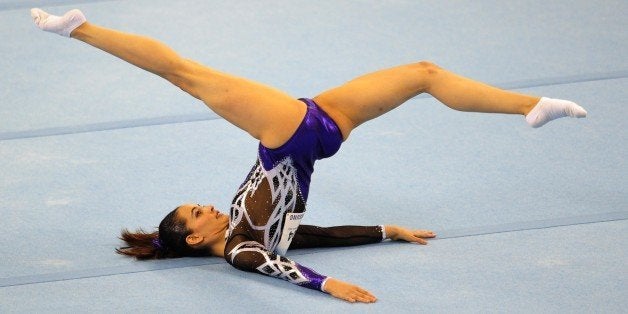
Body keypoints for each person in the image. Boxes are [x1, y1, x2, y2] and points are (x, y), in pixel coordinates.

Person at [30, 8, 587, 303]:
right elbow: (286, 262)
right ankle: (81, 30)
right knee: (186, 74)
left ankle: (529, 106)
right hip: (292, 133)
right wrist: (329, 284)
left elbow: (309, 233)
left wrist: (386, 230)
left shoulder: (253, 232)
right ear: (197, 240)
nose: (205, 206)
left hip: (313, 129)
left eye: (197, 205)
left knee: (424, 73)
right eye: (197, 214)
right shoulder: (242, 251)